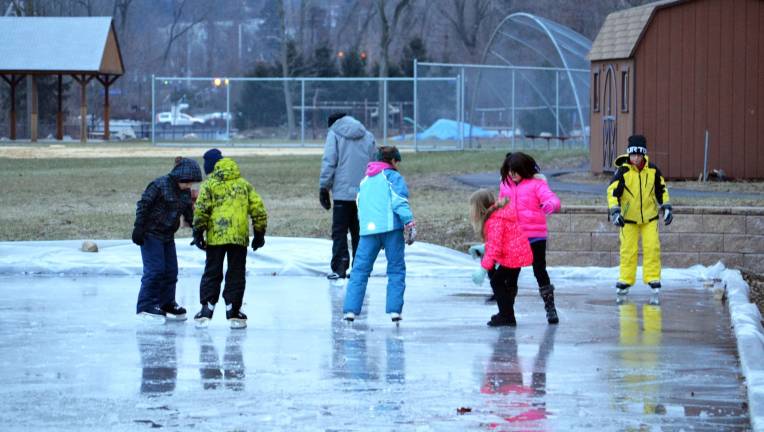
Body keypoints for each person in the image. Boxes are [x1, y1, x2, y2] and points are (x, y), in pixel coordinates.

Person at [191, 156, 268, 329]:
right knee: (236, 273)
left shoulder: (209, 185)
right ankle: (233, 311)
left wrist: (198, 232)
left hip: (216, 238)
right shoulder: (244, 185)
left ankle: (206, 309)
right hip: (238, 238)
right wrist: (259, 233)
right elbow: (258, 210)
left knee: (212, 271)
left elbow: (202, 209)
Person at [342, 146, 416, 323]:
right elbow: (399, 201)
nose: (397, 165)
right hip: (391, 230)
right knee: (396, 269)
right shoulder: (393, 176)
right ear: (392, 160)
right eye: (396, 161)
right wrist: (409, 222)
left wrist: (368, 226)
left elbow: (359, 204)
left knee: (359, 270)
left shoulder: (365, 180)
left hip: (368, 232)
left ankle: (350, 311)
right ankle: (394, 311)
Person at [132, 157, 202, 323]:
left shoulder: (184, 192)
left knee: (171, 272)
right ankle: (145, 305)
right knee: (155, 270)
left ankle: (167, 303)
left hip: (167, 236)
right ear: (181, 177)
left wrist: (195, 230)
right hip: (151, 234)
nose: (190, 185)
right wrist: (138, 227)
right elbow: (144, 204)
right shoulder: (159, 184)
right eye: (189, 182)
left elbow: (188, 212)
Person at [607, 134, 672, 303]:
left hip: (650, 218)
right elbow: (612, 192)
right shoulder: (623, 171)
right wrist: (615, 211)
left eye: (638, 154)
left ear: (643, 154)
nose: (635, 158)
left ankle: (652, 278)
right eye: (632, 154)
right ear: (629, 154)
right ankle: (625, 280)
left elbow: (662, 190)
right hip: (628, 219)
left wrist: (666, 207)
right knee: (628, 250)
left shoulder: (653, 170)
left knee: (652, 248)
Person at [498, 152, 561, 324]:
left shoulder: (537, 184)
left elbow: (552, 199)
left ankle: (550, 307)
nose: (512, 174)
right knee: (511, 274)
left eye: (516, 171)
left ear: (525, 169)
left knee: (539, 270)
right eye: (510, 170)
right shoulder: (505, 185)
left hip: (535, 236)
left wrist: (551, 205)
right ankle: (507, 311)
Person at [319, 112, 376, 280]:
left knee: (340, 232)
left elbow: (330, 161)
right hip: (363, 194)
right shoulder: (368, 135)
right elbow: (374, 162)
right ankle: (359, 269)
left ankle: (339, 267)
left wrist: (324, 187)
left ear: (333, 123)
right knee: (360, 232)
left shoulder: (334, 134)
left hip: (342, 195)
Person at [469, 189, 534, 326]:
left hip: (513, 257)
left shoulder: (494, 220)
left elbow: (495, 249)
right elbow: (499, 241)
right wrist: (483, 248)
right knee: (500, 281)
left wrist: (482, 269)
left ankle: (507, 317)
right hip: (516, 254)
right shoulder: (498, 215)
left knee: (496, 282)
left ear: (480, 207)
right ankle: (505, 314)